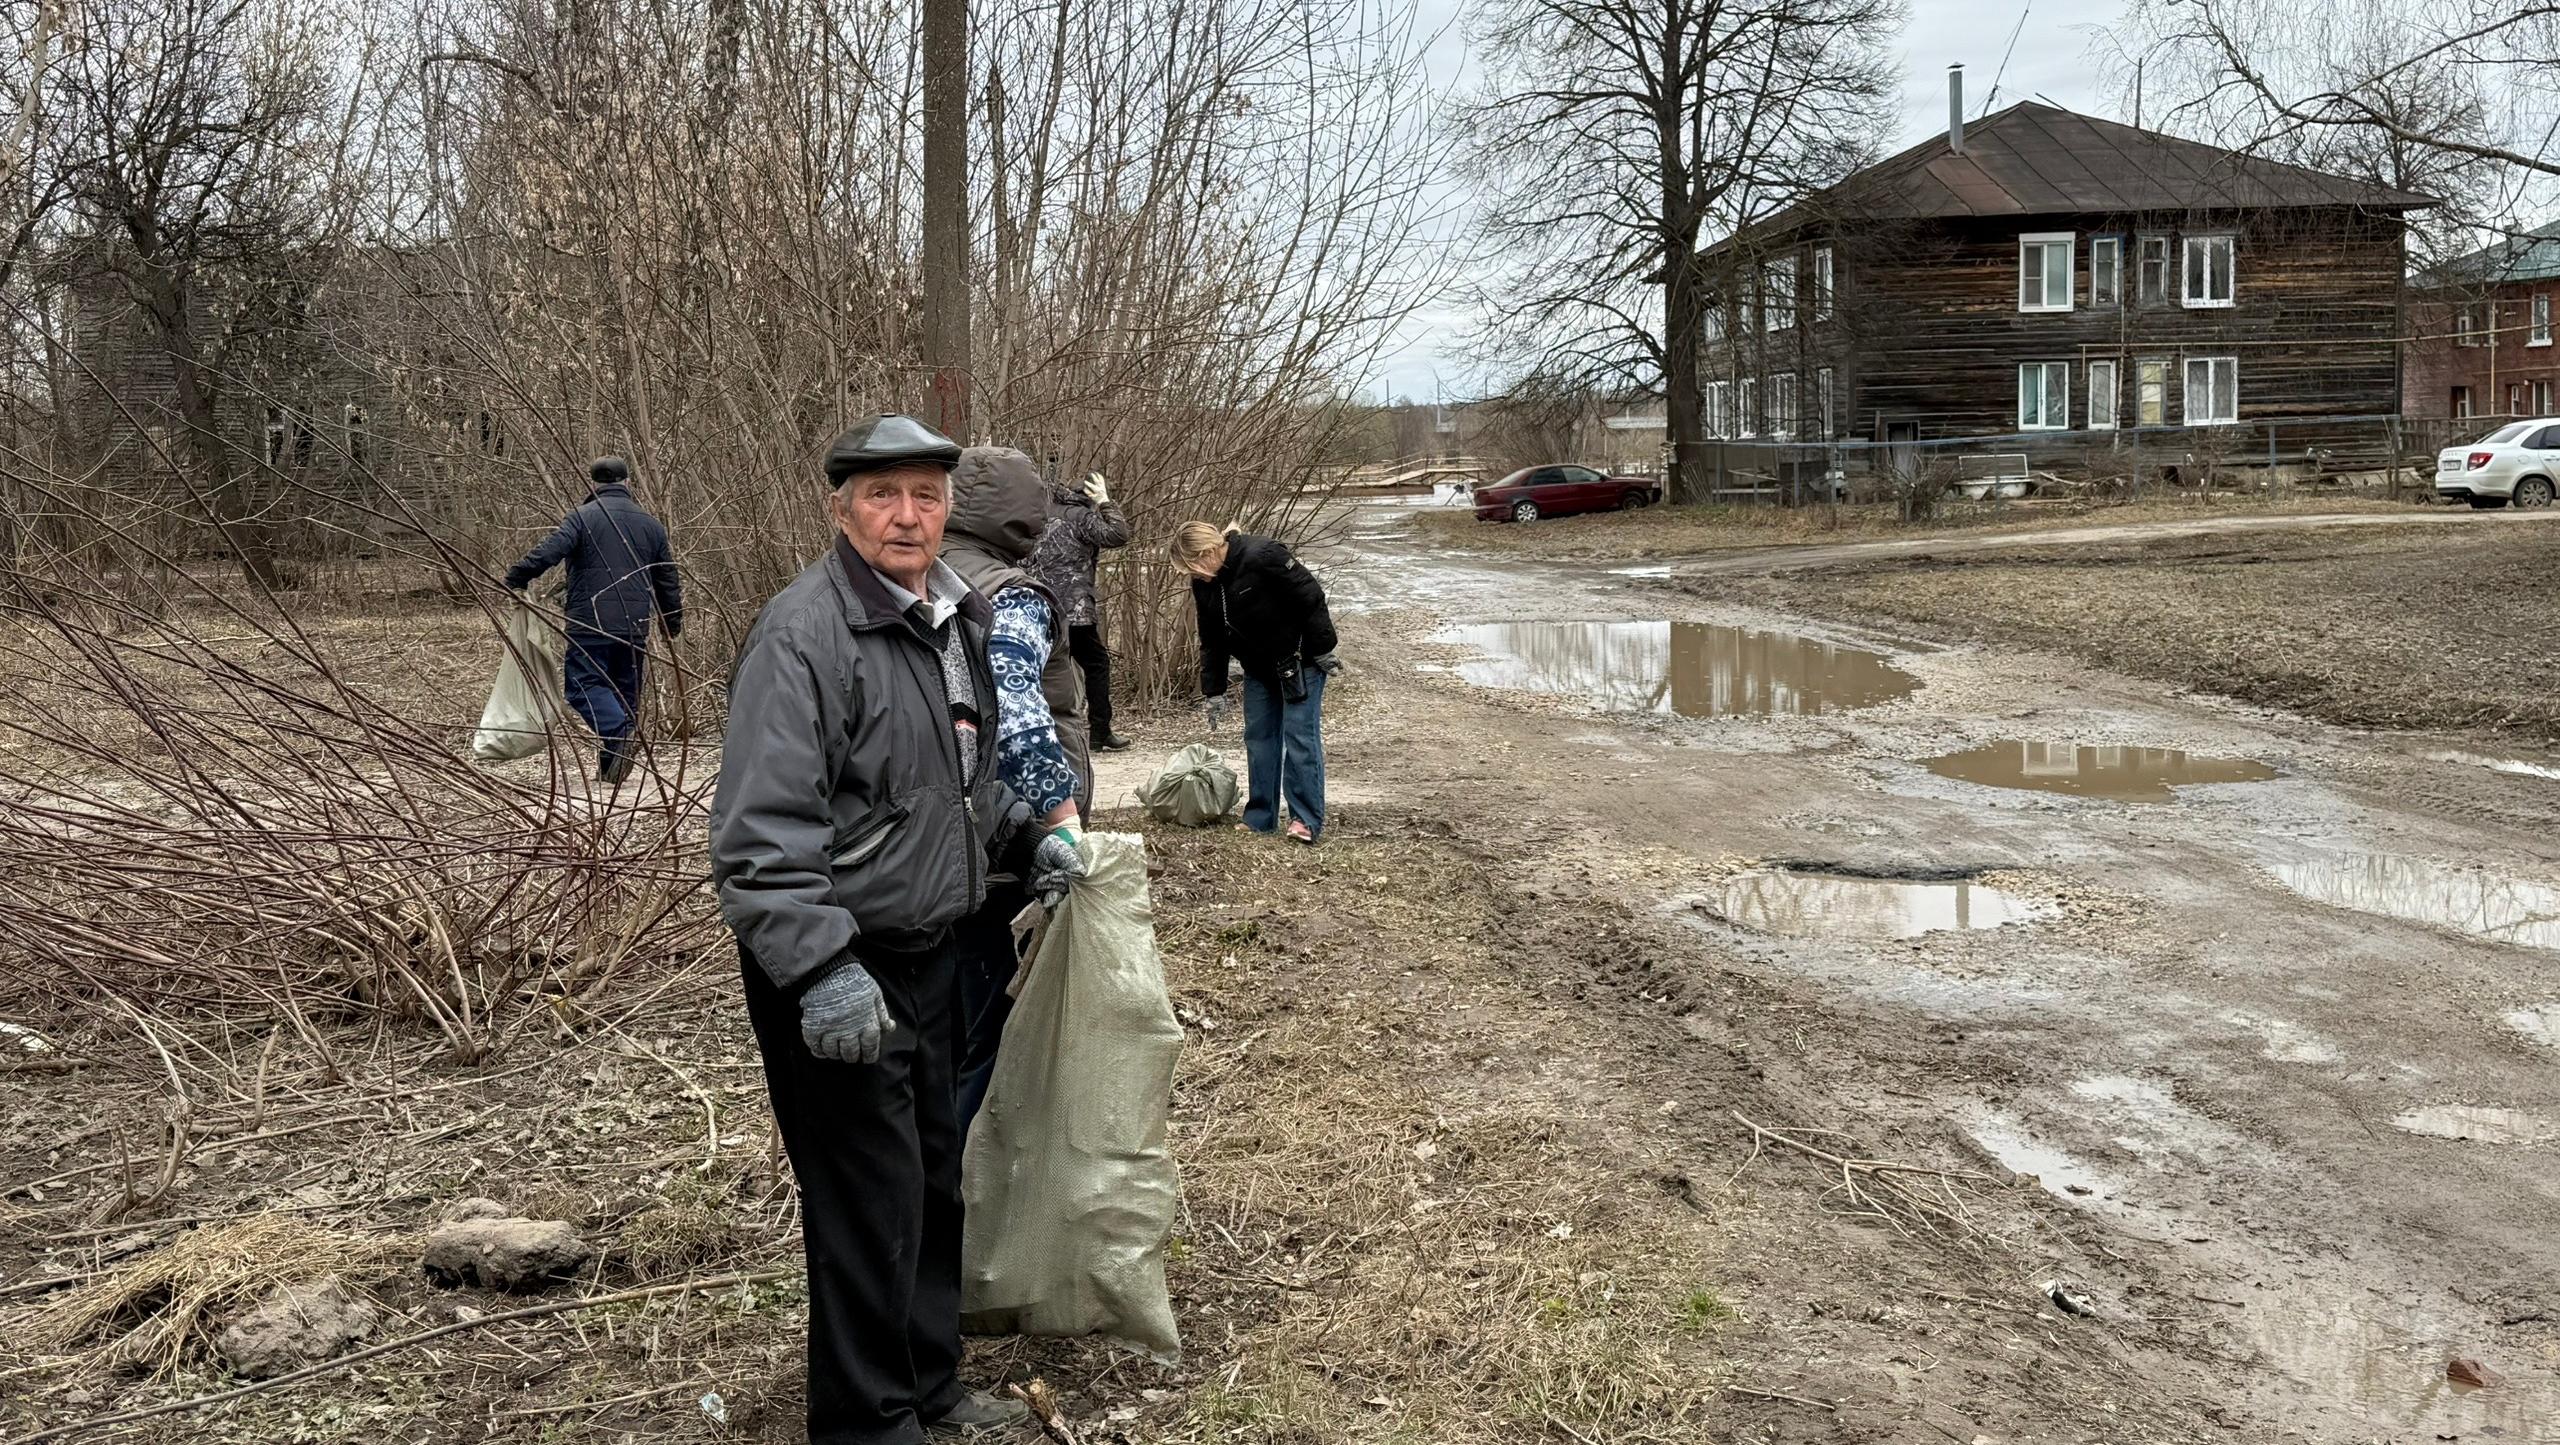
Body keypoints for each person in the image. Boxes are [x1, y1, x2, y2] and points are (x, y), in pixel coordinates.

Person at [708, 414, 1084, 1445]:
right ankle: (869, 1423)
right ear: (843, 510)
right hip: (840, 964)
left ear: (947, 507)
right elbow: (760, 832)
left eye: (925, 493)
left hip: (932, 950)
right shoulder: (804, 635)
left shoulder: (953, 619)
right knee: (866, 1203)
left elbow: (957, 781)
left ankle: (930, 1388)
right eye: (882, 495)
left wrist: (1025, 838)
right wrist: (820, 967)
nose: (906, 515)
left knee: (928, 1179)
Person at [938, 445, 1088, 1125]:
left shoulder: (916, 578)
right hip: (1008, 844)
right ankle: (975, 1174)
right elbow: (1018, 710)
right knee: (995, 1031)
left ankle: (939, 1162)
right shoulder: (1015, 595)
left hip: (928, 850)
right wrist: (1061, 820)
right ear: (1028, 518)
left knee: (943, 1026)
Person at [503, 456, 682, 784]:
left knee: (582, 687)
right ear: (628, 482)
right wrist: (671, 622)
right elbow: (667, 578)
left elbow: (550, 551)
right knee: (623, 694)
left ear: (594, 484)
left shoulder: (582, 517)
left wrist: (517, 576)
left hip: (590, 622)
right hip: (634, 626)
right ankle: (611, 770)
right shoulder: (651, 525)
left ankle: (619, 734)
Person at [1173, 520, 1339, 845]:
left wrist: (1323, 649)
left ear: (1206, 553)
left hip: (1300, 660)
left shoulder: (1263, 555)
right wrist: (1214, 690)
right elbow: (1211, 638)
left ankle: (1304, 819)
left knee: (1299, 737)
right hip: (1259, 668)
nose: (1193, 576)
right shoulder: (1205, 584)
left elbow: (1310, 596)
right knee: (1259, 739)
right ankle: (1261, 817)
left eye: (1192, 568)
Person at [1027, 470, 1132, 752]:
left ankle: (1042, 731)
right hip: (1075, 610)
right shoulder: (1082, 517)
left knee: (1043, 669)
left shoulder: (1042, 515)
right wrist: (1106, 503)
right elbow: (1118, 535)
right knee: (1097, 665)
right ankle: (1100, 732)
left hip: (1042, 607)